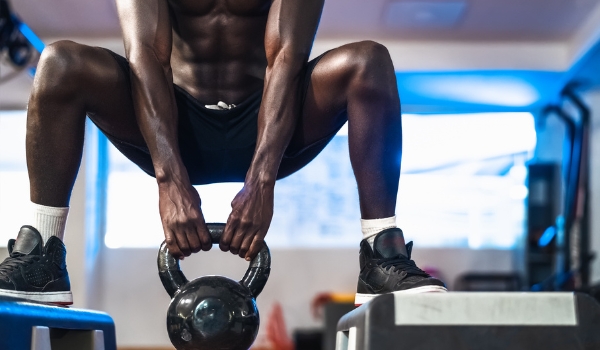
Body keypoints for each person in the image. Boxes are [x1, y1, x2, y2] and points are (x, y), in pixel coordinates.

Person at [0, 0, 446, 306]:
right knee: (60, 63)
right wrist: (170, 181)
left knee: (368, 62)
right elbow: (146, 55)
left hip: (271, 125)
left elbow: (287, 56)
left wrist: (262, 180)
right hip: (173, 124)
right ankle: (41, 253)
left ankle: (381, 253)